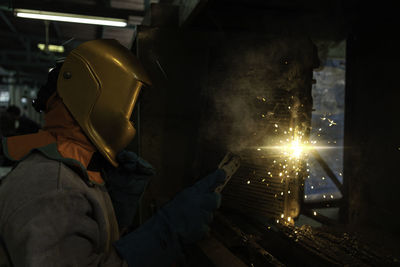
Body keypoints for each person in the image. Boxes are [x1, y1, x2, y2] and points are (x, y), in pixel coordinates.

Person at [0, 39, 226, 266]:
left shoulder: (67, 170)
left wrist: (113, 213)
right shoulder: (52, 185)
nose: (129, 119)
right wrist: (165, 232)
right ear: (93, 94)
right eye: (130, 103)